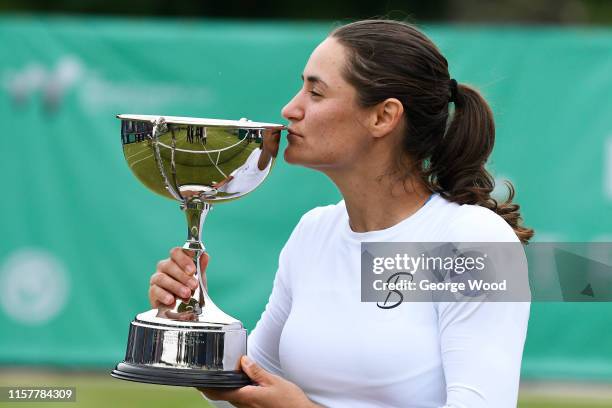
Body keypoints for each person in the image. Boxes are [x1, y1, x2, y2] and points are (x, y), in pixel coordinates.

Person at [148, 19, 533, 408]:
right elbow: (248, 387)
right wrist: (194, 323)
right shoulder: (314, 231)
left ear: (383, 117)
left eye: (315, 92)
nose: (290, 109)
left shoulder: (475, 242)